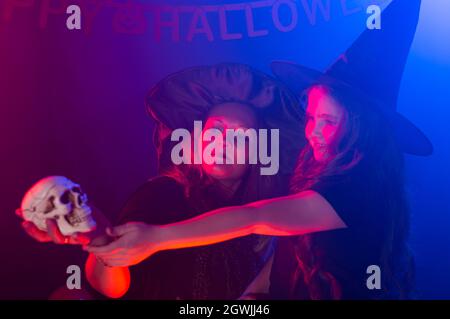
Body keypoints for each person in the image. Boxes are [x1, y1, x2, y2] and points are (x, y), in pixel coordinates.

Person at [84, 0, 433, 299]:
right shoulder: (163, 193)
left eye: (328, 120)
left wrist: (156, 238)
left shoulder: (357, 188)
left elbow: (256, 218)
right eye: (311, 118)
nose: (314, 133)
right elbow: (265, 283)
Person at [20, 63, 304, 299]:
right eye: (215, 130)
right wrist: (96, 235)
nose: (224, 142)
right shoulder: (162, 195)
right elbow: (108, 287)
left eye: (241, 136)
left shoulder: (270, 213)